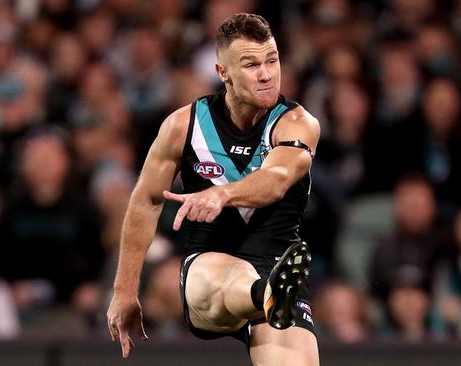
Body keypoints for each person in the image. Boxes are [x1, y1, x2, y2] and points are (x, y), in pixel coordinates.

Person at [106, 13, 320, 365]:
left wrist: (222, 193)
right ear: (224, 74)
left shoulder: (298, 123)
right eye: (251, 65)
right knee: (221, 278)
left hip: (279, 268)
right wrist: (125, 291)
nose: (266, 74)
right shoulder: (183, 126)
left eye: (272, 60)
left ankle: (270, 296)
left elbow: (277, 179)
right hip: (211, 269)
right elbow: (146, 200)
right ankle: (265, 294)